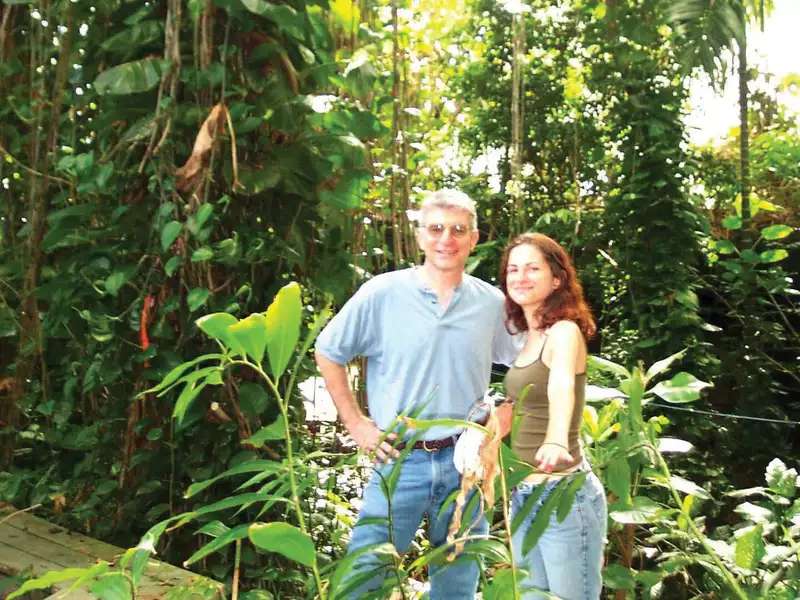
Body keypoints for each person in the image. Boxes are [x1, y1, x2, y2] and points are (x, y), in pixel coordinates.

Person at [315, 189, 518, 599]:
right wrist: (357, 425)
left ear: (474, 238)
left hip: (465, 461)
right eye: (437, 228)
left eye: (458, 229)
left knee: (459, 579)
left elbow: (528, 365)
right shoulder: (383, 293)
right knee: (365, 575)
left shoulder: (491, 303)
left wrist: (499, 423)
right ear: (421, 236)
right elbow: (328, 351)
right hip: (399, 458)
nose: (447, 238)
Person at [497, 232, 607, 600]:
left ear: (557, 278)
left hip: (563, 496)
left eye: (532, 268)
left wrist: (557, 438)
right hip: (524, 494)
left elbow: (562, 386)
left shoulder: (564, 332)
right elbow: (525, 403)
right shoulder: (527, 339)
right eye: (513, 269)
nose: (520, 276)